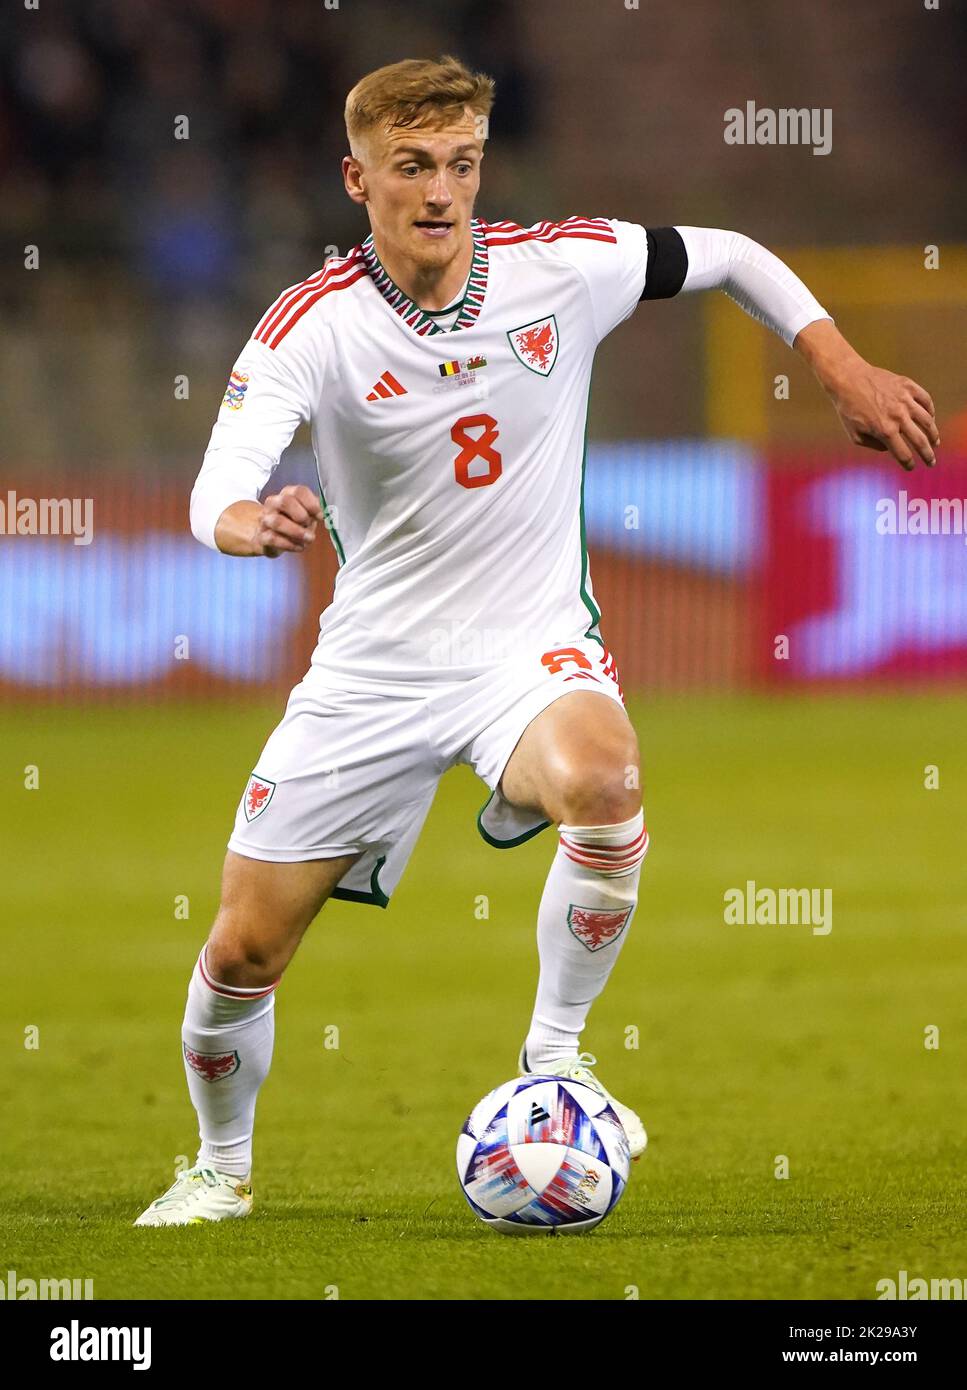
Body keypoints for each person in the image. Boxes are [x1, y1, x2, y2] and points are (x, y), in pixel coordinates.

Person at [135, 55, 938, 1225]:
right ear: (356, 178)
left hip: (528, 649)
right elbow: (216, 484)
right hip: (373, 671)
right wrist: (249, 521)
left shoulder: (559, 269)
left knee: (607, 782)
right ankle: (221, 1166)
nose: (441, 191)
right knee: (243, 953)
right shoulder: (313, 324)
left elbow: (727, 254)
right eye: (411, 167)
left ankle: (553, 1061)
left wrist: (840, 363)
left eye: (460, 163)